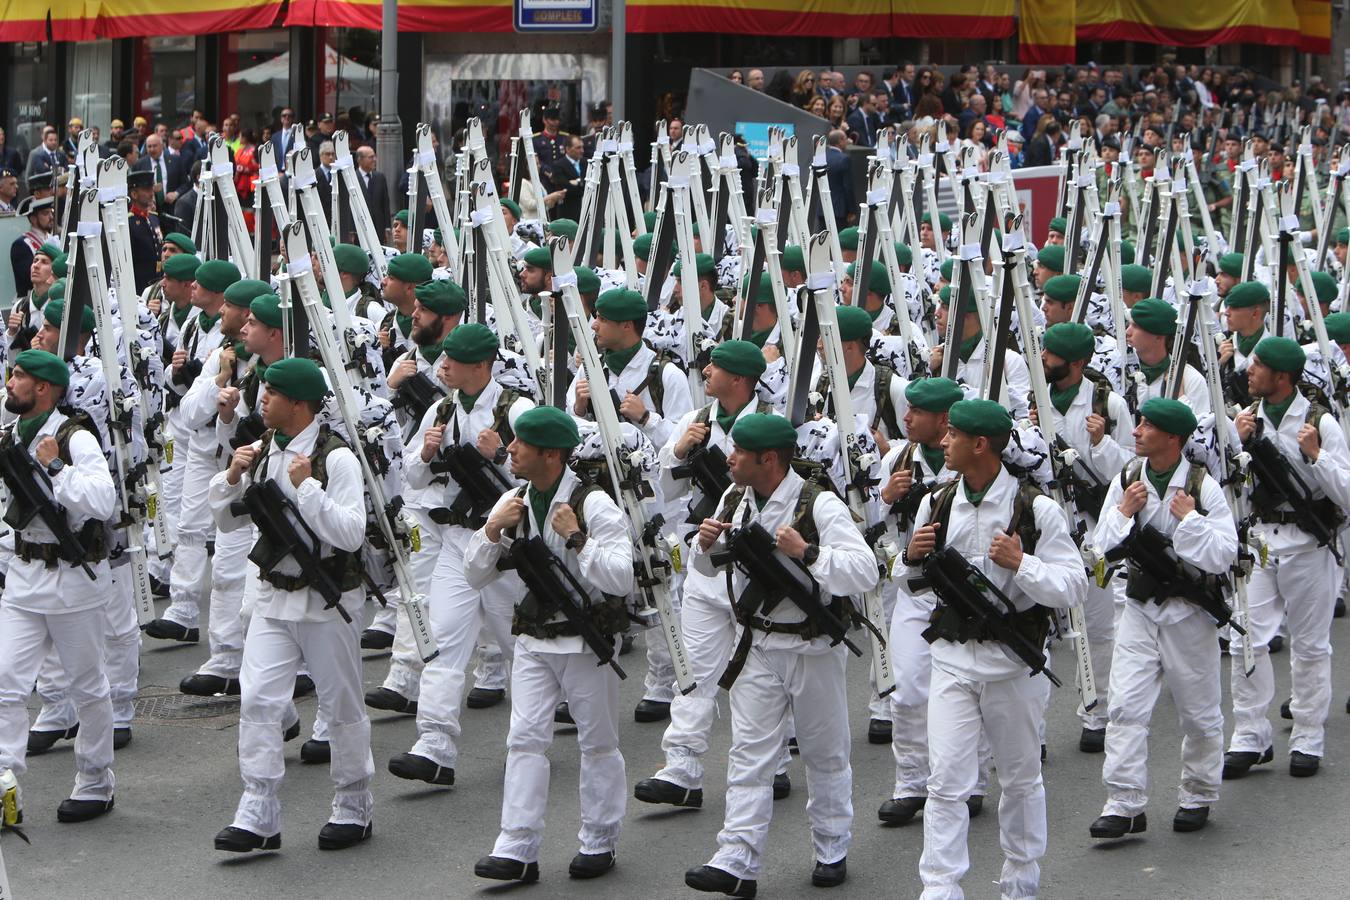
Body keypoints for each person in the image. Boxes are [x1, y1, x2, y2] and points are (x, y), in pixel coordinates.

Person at [683, 412, 879, 895]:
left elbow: (864, 572)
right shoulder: (735, 497)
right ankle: (737, 860)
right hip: (758, 644)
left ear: (767, 459)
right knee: (749, 755)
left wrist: (808, 554)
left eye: (740, 453)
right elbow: (709, 571)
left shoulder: (820, 505)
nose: (730, 459)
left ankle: (831, 847)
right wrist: (703, 548)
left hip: (812, 647)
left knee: (824, 753)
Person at [905, 399, 1087, 900]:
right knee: (944, 781)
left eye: (952, 435)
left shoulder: (1036, 508)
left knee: (1020, 779)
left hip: (1013, 666)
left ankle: (1021, 881)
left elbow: (1073, 587)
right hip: (953, 661)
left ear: (979, 444)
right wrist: (910, 558)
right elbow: (912, 585)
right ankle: (940, 887)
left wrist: (1023, 563)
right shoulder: (937, 502)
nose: (942, 442)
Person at [209, 357, 375, 853]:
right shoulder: (261, 452)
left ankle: (353, 804)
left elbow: (349, 533)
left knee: (341, 705)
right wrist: (232, 478)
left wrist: (308, 490)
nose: (261, 400)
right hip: (273, 598)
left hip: (327, 600)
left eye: (271, 393)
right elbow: (228, 522)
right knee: (259, 700)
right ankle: (258, 810)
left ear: (298, 404)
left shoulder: (335, 457)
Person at [467, 405, 635, 883]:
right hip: (535, 640)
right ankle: (517, 846)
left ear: (552, 455)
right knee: (524, 739)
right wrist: (492, 529)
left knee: (598, 742)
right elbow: (475, 574)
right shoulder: (514, 500)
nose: (511, 449)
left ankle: (599, 839)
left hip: (586, 642)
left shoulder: (593, 503)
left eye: (521, 443)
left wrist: (577, 538)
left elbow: (620, 578)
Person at [386, 322, 533, 787]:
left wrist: (504, 459)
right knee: (445, 640)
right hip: (458, 541)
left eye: (452, 359)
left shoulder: (518, 410)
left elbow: (548, 479)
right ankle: (434, 746)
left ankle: (536, 732)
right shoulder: (441, 408)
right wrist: (426, 454)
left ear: (481, 366)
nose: (442, 365)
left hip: (507, 549)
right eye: (443, 357)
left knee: (524, 647)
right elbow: (409, 476)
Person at [1089, 397, 1237, 838]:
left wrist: (1189, 520)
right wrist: (1123, 513)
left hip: (1188, 613)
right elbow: (1101, 546)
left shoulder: (1202, 487)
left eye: (1148, 426)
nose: (1136, 431)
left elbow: (1223, 554)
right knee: (1125, 707)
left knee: (1198, 712)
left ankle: (1197, 793)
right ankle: (1124, 803)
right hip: (1139, 608)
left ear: (1173, 438)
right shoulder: (1129, 479)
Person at [0, 350, 118, 826]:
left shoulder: (74, 437)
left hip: (73, 581)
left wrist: (57, 469)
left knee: (87, 687)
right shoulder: (9, 437)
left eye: (19, 377)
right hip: (25, 579)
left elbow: (102, 501)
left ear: (43, 389)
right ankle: (5, 784)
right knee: (6, 684)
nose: (10, 383)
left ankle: (95, 780)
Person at [1225, 337, 1350, 779]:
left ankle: (1308, 735)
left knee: (1311, 645)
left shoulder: (1320, 422)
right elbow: (1228, 488)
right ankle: (1250, 735)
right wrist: (1235, 449)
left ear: (1282, 377)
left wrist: (1316, 457)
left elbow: (1347, 493)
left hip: (1308, 545)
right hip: (1261, 541)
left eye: (1259, 365)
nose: (1250, 371)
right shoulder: (1246, 419)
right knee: (1246, 639)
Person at [10, 196, 55, 298]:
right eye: (45, 213)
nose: (51, 217)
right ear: (33, 219)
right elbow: (31, 278)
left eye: (51, 212)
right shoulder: (21, 245)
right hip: (29, 301)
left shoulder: (52, 239)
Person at [548, 135, 587, 221]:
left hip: (586, 212)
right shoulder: (558, 165)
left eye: (582, 147)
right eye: (578, 148)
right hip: (568, 213)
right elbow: (564, 188)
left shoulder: (586, 163)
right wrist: (583, 183)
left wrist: (577, 182)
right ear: (568, 149)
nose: (582, 151)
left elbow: (592, 184)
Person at [355, 146, 392, 238]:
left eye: (375, 156)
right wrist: (351, 230)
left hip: (378, 227)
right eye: (371, 157)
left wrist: (387, 226)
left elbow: (385, 203)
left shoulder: (380, 177)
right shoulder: (353, 178)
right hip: (360, 228)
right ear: (360, 160)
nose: (374, 159)